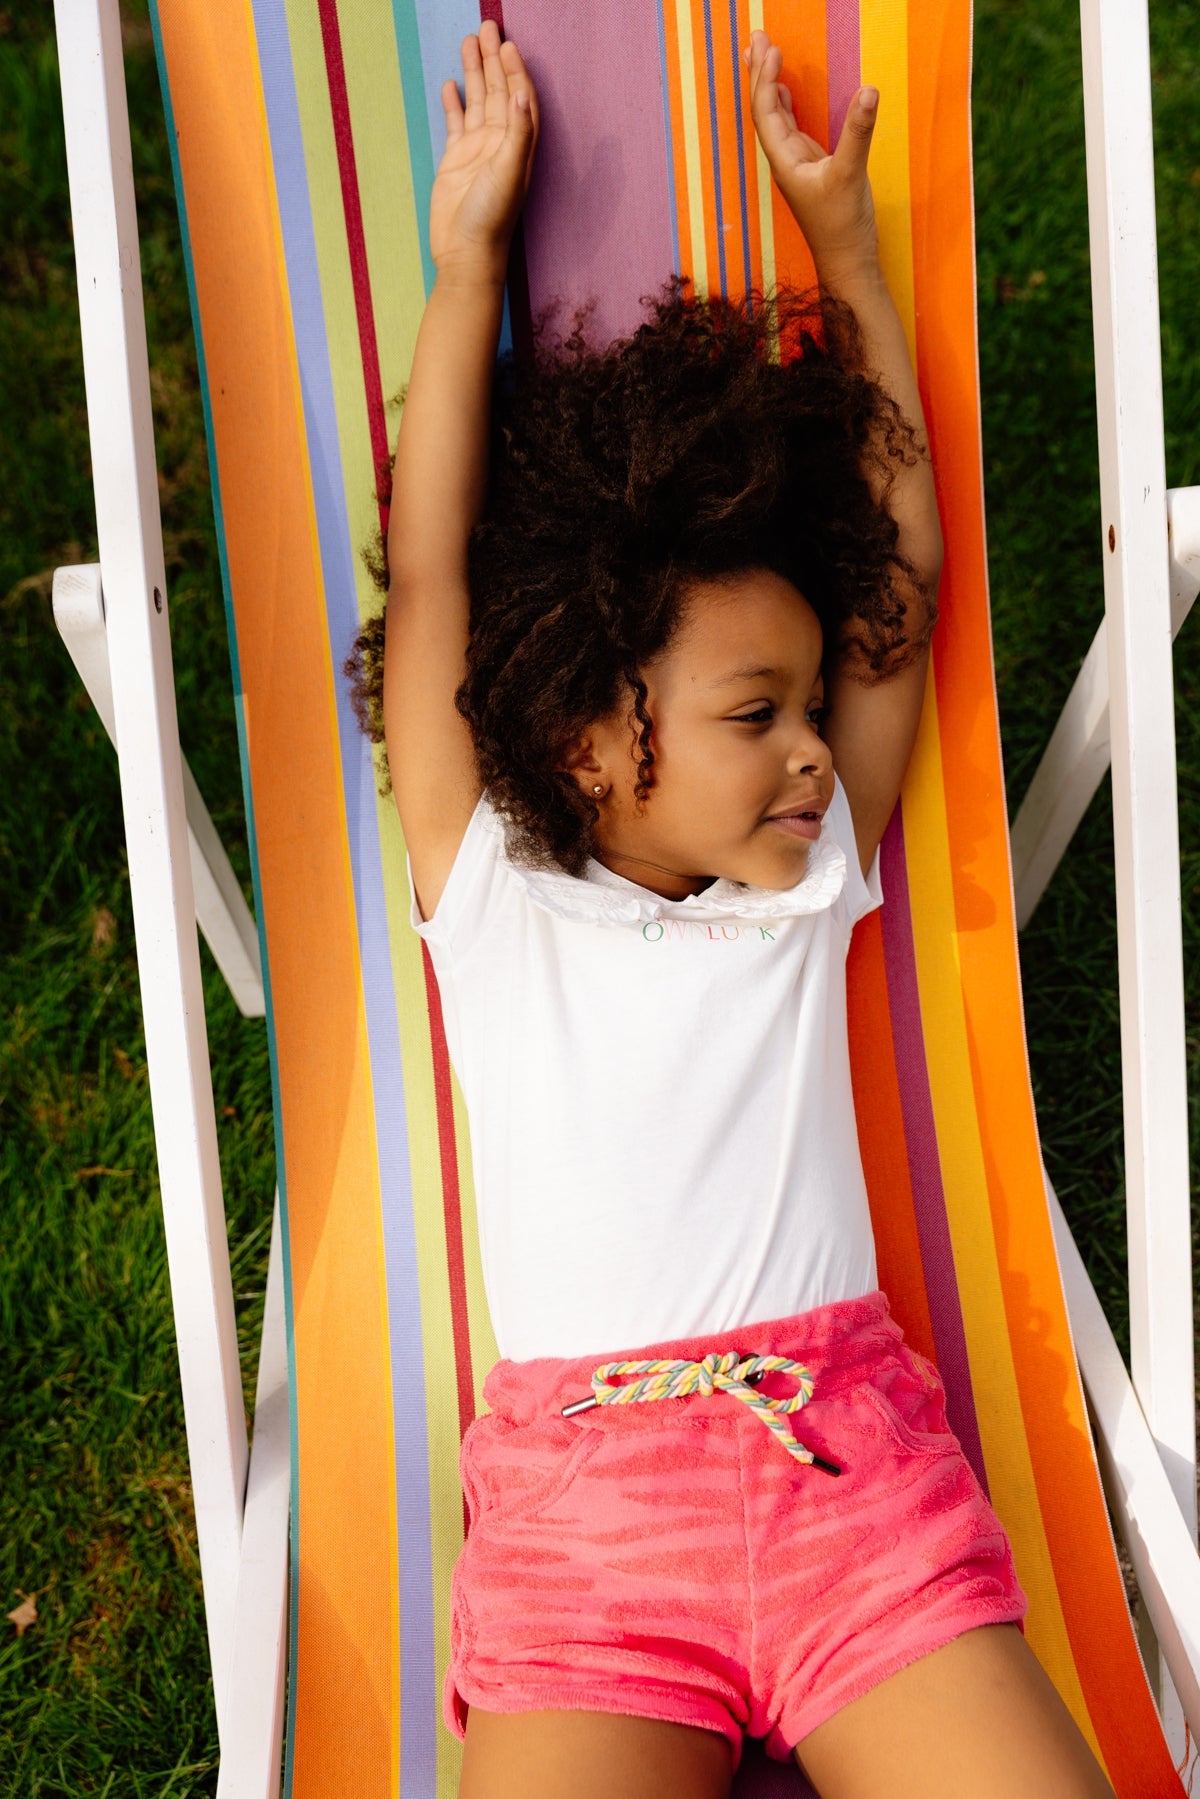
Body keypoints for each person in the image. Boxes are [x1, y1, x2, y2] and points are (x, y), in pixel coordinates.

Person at [350, 21, 1116, 1799]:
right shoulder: (493, 889)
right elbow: (439, 565)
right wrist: (465, 268)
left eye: (802, 714)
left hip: (848, 1476)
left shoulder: (804, 876)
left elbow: (899, 593)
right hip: (589, 1528)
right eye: (751, 717)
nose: (804, 756)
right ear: (593, 737)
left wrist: (849, 252)